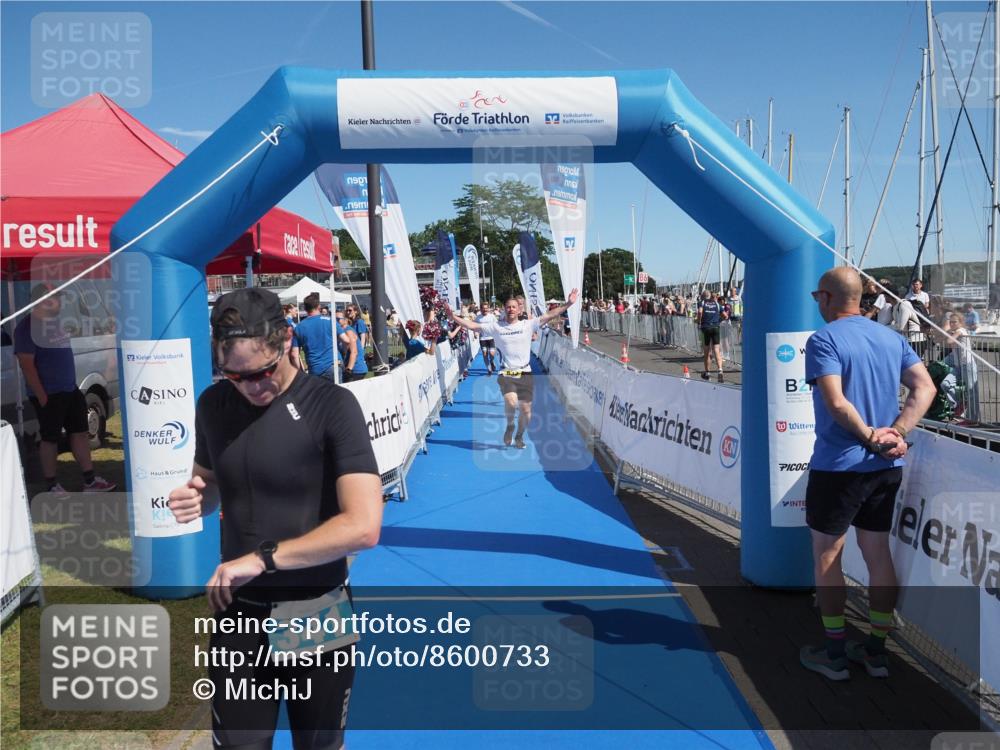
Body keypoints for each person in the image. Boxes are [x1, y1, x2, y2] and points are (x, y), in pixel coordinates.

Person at [167, 287, 382, 750]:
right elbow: (210, 482)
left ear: (286, 340)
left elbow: (364, 526)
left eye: (262, 372)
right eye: (235, 376)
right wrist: (197, 498)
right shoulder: (214, 405)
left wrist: (263, 559)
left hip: (316, 609)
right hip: (239, 615)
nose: (252, 387)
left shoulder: (332, 406)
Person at [800, 267, 934, 682]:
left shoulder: (824, 339)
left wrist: (872, 437)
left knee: (827, 555)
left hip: (840, 466)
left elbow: (837, 403)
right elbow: (925, 388)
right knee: (878, 554)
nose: (817, 304)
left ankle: (835, 654)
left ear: (826, 297)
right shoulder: (891, 337)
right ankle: (876, 652)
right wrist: (896, 433)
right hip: (885, 467)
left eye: (817, 298)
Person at [13, 283, 116, 498]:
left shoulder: (56, 323)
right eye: (55, 298)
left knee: (79, 433)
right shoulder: (26, 329)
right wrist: (42, 397)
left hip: (70, 389)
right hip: (49, 393)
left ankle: (89, 480)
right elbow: (27, 365)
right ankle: (52, 486)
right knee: (50, 438)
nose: (60, 302)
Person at [447, 289, 579, 448]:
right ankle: (510, 425)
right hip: (506, 372)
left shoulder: (528, 324)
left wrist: (568, 303)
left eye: (514, 307)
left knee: (526, 411)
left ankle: (519, 435)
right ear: (504, 309)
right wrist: (453, 317)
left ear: (519, 310)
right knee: (511, 401)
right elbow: (472, 325)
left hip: (525, 372)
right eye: (508, 307)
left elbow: (550, 315)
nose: (511, 309)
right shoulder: (497, 327)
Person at [290, 293, 354, 382]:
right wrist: (343, 352)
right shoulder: (330, 321)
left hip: (315, 368)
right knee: (336, 391)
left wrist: (300, 372)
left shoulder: (299, 327)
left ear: (305, 308)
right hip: (333, 365)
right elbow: (346, 340)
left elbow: (294, 354)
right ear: (319, 307)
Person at [697, 290, 727, 382]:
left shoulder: (702, 303)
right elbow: (725, 316)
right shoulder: (716, 304)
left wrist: (699, 322)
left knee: (707, 351)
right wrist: (718, 321)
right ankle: (720, 370)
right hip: (715, 327)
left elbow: (700, 312)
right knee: (716, 349)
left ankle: (707, 372)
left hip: (706, 328)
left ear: (703, 296)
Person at [336, 310, 367, 382]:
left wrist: (349, 370)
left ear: (345, 320)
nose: (335, 321)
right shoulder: (340, 332)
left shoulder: (348, 331)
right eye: (333, 319)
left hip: (356, 370)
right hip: (348, 368)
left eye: (337, 319)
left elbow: (354, 352)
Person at [475, 302, 498, 375]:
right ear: (481, 309)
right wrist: (475, 333)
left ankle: (492, 361)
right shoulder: (478, 317)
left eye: (486, 308)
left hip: (491, 338)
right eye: (483, 308)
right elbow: (474, 326)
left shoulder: (492, 316)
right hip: (483, 339)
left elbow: (497, 325)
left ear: (488, 309)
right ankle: (489, 369)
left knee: (492, 354)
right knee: (485, 354)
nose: (485, 310)